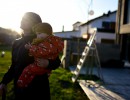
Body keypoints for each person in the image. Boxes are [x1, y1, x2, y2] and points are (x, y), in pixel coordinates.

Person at [0, 12, 61, 100]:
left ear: (34, 24)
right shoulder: (16, 43)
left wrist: (47, 63)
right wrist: (4, 82)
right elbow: (14, 66)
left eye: (26, 19)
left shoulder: (42, 41)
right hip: (19, 89)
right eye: (22, 18)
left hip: (38, 90)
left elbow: (57, 62)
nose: (22, 20)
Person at [17, 22, 64, 88]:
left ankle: (21, 82)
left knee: (28, 70)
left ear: (47, 33)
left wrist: (31, 48)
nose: (38, 36)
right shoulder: (50, 41)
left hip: (40, 75)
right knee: (31, 73)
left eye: (39, 34)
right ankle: (25, 83)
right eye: (37, 34)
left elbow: (41, 51)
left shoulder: (47, 42)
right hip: (40, 70)